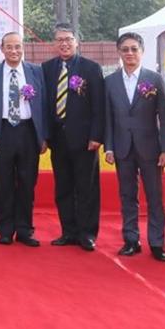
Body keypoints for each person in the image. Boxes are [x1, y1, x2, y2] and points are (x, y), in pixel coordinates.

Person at [103, 32, 165, 262]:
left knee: (154, 196)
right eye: (125, 49)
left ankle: (156, 242)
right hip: (122, 148)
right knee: (127, 195)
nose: (130, 53)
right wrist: (109, 147)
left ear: (141, 52)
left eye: (134, 49)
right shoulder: (110, 82)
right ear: (119, 52)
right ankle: (131, 240)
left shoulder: (154, 79)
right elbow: (108, 118)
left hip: (151, 148)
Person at [41, 22, 106, 251]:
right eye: (60, 40)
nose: (64, 44)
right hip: (58, 139)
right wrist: (45, 136)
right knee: (63, 187)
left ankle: (87, 233)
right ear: (54, 44)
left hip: (85, 140)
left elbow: (99, 105)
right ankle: (68, 231)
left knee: (86, 187)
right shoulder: (47, 68)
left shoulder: (91, 68)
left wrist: (96, 135)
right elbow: (44, 105)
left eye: (68, 39)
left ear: (77, 42)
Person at [0, 31, 49, 247]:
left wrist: (43, 136)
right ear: (2, 49)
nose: (14, 51)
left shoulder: (36, 72)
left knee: (27, 183)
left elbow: (44, 105)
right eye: (9, 47)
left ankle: (24, 230)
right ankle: (5, 229)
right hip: (3, 131)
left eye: (18, 46)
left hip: (28, 131)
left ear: (23, 48)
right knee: (3, 184)